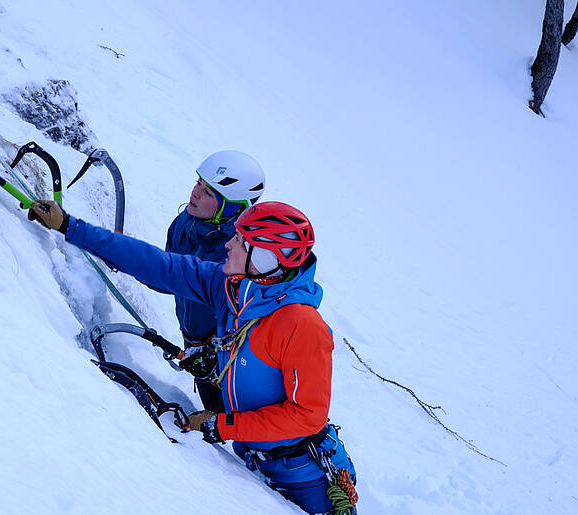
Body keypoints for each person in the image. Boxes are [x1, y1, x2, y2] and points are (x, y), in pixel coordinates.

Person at [27, 199, 358, 514]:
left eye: (241, 242)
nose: (229, 244)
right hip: (257, 460)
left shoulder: (301, 325)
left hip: (305, 479)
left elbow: (306, 416)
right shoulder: (231, 287)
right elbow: (161, 266)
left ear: (266, 260)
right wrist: (72, 227)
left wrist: (223, 424)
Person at [165, 150, 265, 413]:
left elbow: (254, 319)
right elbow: (167, 275)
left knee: (232, 427)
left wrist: (214, 354)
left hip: (226, 361)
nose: (195, 193)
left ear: (234, 208)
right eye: (198, 183)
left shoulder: (242, 256)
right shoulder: (183, 224)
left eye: (209, 193)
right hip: (195, 343)